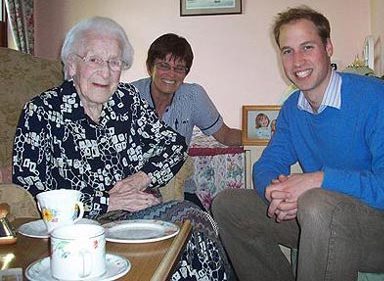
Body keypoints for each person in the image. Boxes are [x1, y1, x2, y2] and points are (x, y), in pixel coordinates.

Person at [212, 5, 384, 281]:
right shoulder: (293, 108)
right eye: (287, 51)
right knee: (228, 205)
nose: (297, 61)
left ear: (328, 47)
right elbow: (269, 163)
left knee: (316, 202)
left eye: (307, 47)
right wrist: (276, 193)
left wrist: (319, 180)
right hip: (325, 216)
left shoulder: (376, 99)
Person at [13, 16, 231, 281]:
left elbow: (173, 144)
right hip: (78, 228)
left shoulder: (125, 101)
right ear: (71, 64)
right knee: (188, 218)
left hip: (135, 214)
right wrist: (107, 201)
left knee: (188, 234)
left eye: (114, 62)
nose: (105, 72)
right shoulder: (41, 112)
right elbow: (31, 185)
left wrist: (142, 177)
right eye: (93, 60)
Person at [132, 33, 242, 206]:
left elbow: (225, 135)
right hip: (134, 188)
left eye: (179, 68)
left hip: (180, 188)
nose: (171, 74)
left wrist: (263, 135)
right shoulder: (129, 96)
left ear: (185, 73)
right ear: (149, 66)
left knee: (205, 228)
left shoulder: (193, 96)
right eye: (163, 66)